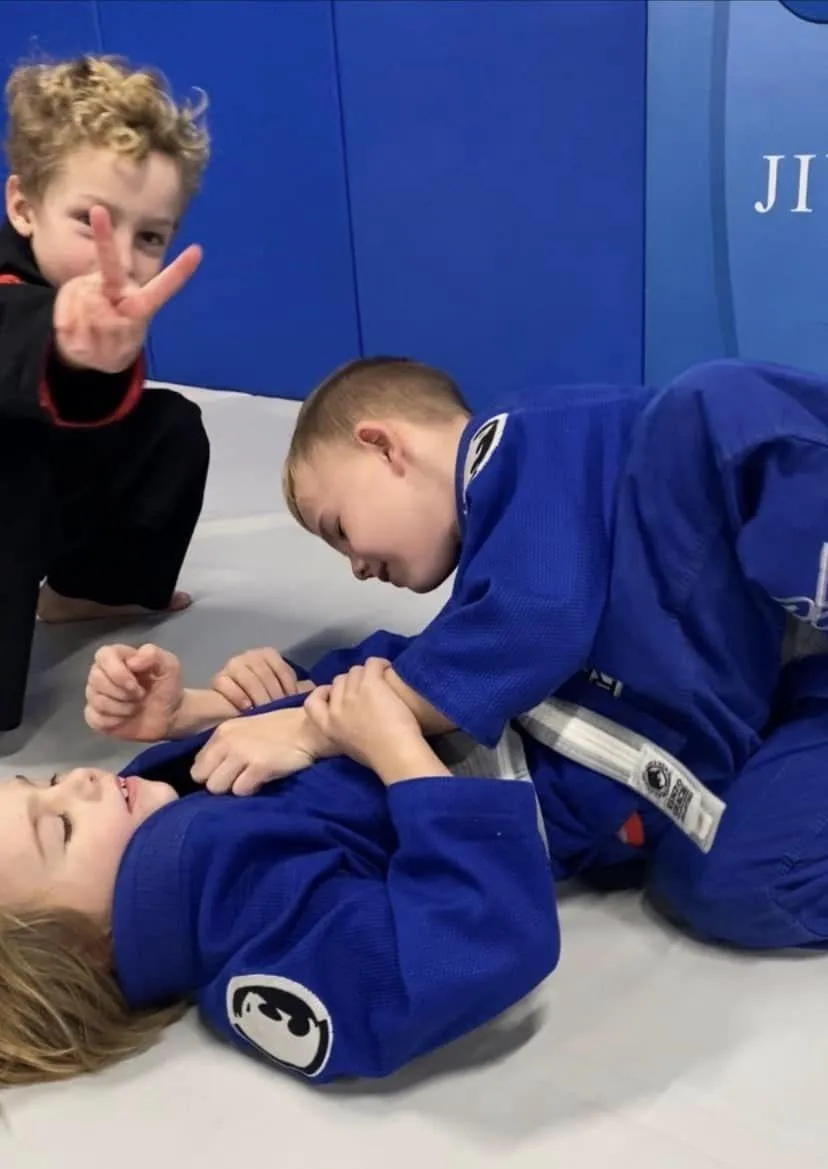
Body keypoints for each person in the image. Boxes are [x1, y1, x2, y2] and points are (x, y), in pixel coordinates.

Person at [272, 355, 828, 809]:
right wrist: (273, 694)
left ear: (383, 447)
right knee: (727, 876)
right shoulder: (504, 548)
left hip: (787, 512)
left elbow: (536, 619)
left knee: (718, 407)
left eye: (339, 529)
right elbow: (448, 652)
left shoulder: (519, 440)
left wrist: (313, 730)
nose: (356, 567)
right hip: (777, 669)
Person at [0, 651, 559, 1085]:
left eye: (49, 782)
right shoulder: (241, 936)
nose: (79, 780)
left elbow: (316, 766)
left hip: (482, 676)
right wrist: (397, 751)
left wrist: (221, 713)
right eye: (62, 827)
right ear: (82, 950)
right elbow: (458, 954)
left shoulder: (175, 835)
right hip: (562, 755)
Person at [0, 54, 211, 731]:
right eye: (90, 221)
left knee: (170, 427)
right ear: (22, 207)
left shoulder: (99, 308)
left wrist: (90, 358)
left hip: (47, 486)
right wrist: (63, 342)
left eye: (148, 236)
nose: (116, 255)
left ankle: (91, 591)